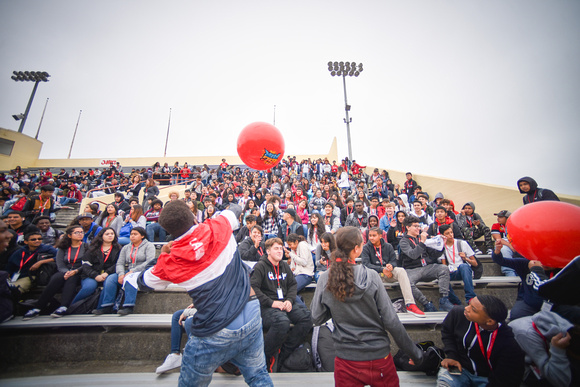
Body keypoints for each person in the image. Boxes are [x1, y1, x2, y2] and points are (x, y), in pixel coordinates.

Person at [136, 200, 272, 386]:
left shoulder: (171, 261)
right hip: (250, 312)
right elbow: (236, 209)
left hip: (215, 328)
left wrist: (163, 256)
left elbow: (143, 282)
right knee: (258, 377)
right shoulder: (219, 224)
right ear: (194, 217)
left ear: (168, 232)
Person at [311, 226, 424, 387]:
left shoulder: (325, 278)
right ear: (356, 249)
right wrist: (416, 354)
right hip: (378, 357)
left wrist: (336, 307)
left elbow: (316, 317)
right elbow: (391, 321)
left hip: (346, 359)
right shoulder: (371, 276)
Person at [250, 237, 313, 372]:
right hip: (267, 306)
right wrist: (272, 303)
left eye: (281, 248)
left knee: (306, 319)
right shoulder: (260, 266)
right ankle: (265, 358)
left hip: (285, 302)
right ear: (268, 251)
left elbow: (292, 285)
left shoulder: (284, 265)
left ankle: (283, 353)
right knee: (282, 322)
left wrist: (290, 300)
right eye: (276, 248)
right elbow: (254, 289)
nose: (280, 251)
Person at [437, 295, 525, 386]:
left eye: (473, 310)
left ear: (489, 322)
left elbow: (505, 380)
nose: (466, 308)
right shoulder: (458, 314)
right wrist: (452, 356)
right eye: (469, 304)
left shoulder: (509, 345)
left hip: (489, 379)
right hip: (461, 371)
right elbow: (447, 332)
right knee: (445, 382)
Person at [23, 225, 88, 319]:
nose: (80, 234)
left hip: (80, 271)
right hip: (64, 271)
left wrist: (75, 271)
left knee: (72, 279)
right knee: (56, 278)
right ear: (69, 235)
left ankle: (64, 306)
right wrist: (66, 272)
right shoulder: (63, 247)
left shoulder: (86, 246)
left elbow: (87, 263)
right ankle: (38, 307)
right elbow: (60, 263)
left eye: (81, 232)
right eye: (76, 232)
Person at [361, 227, 425, 317]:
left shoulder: (388, 246)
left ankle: (410, 304)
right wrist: (382, 269)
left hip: (388, 274)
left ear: (380, 236)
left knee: (401, 271)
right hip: (374, 275)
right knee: (371, 272)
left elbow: (394, 261)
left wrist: (391, 265)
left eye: (374, 235)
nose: (371, 238)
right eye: (370, 235)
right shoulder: (366, 248)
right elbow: (366, 264)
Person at [399, 216, 453, 312]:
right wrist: (422, 242)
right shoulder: (403, 241)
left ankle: (444, 300)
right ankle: (426, 304)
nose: (418, 228)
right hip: (412, 269)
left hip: (427, 267)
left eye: (419, 226)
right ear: (408, 227)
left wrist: (441, 246)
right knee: (408, 283)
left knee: (443, 269)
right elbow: (413, 255)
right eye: (415, 226)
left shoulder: (422, 238)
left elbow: (434, 254)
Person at [509, 310, 573, 387]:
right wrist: (557, 350)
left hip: (540, 357)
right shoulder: (526, 334)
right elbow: (561, 382)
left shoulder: (565, 326)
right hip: (524, 369)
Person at [74, 227, 121, 305]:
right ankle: (72, 307)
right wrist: (95, 275)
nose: (110, 236)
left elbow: (118, 263)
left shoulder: (119, 249)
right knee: (89, 287)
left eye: (112, 234)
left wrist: (107, 273)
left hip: (109, 274)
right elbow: (86, 265)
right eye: (107, 234)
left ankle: (102, 308)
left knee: (108, 283)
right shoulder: (92, 249)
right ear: (101, 236)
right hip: (91, 275)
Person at [6, 231, 57, 295]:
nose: (37, 241)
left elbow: (60, 257)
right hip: (17, 275)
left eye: (39, 239)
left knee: (13, 290)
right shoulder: (20, 251)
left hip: (32, 276)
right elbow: (10, 266)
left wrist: (41, 262)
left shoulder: (47, 248)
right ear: (26, 242)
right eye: (33, 239)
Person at [439, 224, 478, 306]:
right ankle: (455, 301)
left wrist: (466, 258)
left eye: (451, 232)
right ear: (442, 235)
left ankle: (470, 297)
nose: (450, 235)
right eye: (447, 233)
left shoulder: (462, 243)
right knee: (442, 276)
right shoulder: (442, 247)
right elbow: (444, 265)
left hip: (463, 271)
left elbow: (475, 263)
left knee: (464, 266)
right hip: (451, 272)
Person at [489, 210, 517, 277]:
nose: (498, 218)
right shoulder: (496, 226)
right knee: (503, 249)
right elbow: (498, 239)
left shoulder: (514, 225)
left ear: (507, 218)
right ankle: (509, 272)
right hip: (504, 244)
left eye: (501, 217)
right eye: (498, 217)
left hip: (515, 243)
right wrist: (510, 245)